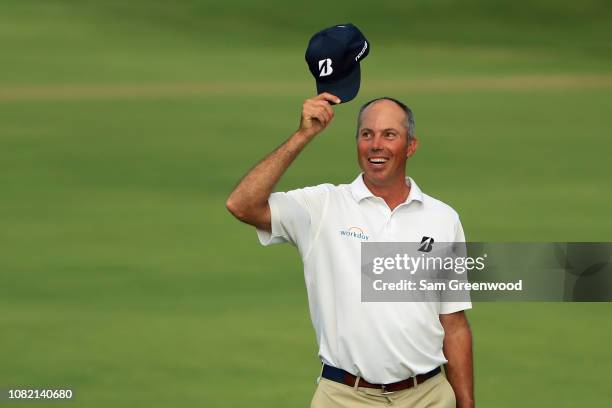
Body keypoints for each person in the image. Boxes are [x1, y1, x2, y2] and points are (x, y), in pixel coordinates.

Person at [226, 93, 474, 408]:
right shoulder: (322, 206)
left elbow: (453, 324)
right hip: (344, 396)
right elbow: (241, 204)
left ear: (411, 146)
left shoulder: (443, 218)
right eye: (366, 134)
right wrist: (304, 135)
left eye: (389, 135)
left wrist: (466, 403)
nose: (376, 145)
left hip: (427, 396)